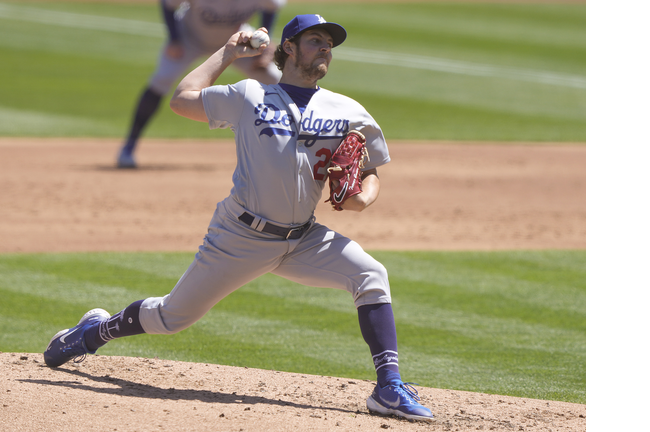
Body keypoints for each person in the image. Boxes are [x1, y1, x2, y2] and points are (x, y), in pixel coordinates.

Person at [46, 14, 435, 422]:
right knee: (170, 318)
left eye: (329, 44)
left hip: (305, 238)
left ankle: (388, 387)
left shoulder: (347, 110)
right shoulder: (249, 95)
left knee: (370, 275)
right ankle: (92, 332)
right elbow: (182, 99)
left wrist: (362, 200)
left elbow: (370, 171)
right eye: (315, 40)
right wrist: (229, 52)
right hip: (240, 236)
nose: (325, 49)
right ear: (289, 48)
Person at [117, 0, 285, 169]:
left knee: (276, 80)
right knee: (161, 80)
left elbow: (271, 8)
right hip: (189, 38)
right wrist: (174, 39)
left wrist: (265, 42)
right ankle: (129, 146)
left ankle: (291, 145)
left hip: (236, 41)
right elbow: (168, 4)